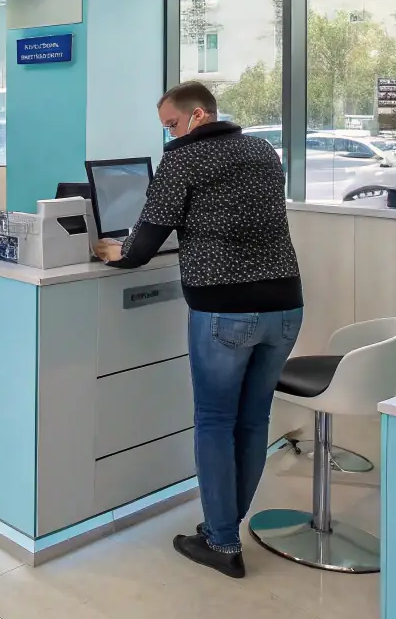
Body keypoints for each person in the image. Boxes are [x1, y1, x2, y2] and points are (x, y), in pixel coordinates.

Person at [95, 81, 303, 579]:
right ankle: (226, 526)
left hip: (224, 309)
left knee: (214, 421)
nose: (169, 134)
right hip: (286, 305)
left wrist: (112, 252)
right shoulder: (261, 149)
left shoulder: (183, 160)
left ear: (198, 115)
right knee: (253, 420)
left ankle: (221, 540)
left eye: (171, 124)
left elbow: (142, 246)